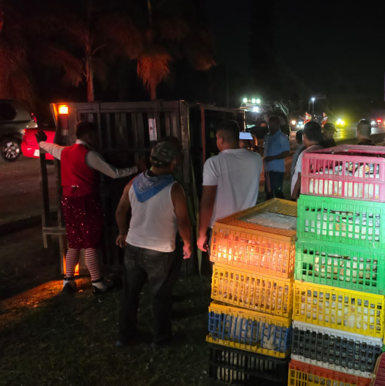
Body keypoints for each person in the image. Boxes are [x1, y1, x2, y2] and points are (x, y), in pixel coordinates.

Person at [36, 122, 139, 294]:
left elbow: (50, 147)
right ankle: (97, 281)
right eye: (96, 135)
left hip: (68, 201)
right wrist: (137, 169)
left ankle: (68, 280)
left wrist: (40, 142)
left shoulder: (64, 152)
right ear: (89, 136)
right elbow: (114, 173)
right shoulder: (90, 155)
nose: (98, 139)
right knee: (92, 242)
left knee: (74, 242)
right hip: (87, 201)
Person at [115, 140, 192, 348]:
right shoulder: (174, 189)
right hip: (160, 251)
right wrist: (187, 243)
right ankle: (160, 339)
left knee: (130, 293)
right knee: (160, 296)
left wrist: (123, 232)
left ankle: (124, 336)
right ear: (173, 162)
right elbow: (183, 221)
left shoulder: (134, 182)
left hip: (132, 247)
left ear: (151, 159)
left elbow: (120, 211)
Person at [196, 120, 262, 256]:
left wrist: (202, 234)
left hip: (222, 229)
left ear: (220, 139)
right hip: (248, 227)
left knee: (223, 270)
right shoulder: (256, 158)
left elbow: (207, 203)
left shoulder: (213, 163)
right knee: (244, 268)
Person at [291, 122, 323, 201]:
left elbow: (300, 177)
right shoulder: (323, 150)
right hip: (315, 193)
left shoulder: (305, 154)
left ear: (304, 136)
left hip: (302, 195)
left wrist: (294, 196)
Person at [263, 116, 290, 199]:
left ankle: (280, 209)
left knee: (278, 193)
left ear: (278, 124)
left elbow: (286, 152)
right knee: (268, 192)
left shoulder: (282, 137)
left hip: (277, 170)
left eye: (273, 124)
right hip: (267, 169)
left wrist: (272, 158)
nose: (271, 126)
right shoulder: (267, 137)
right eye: (269, 124)